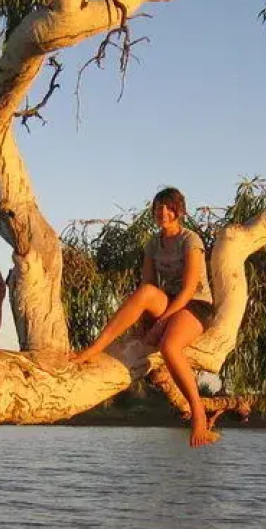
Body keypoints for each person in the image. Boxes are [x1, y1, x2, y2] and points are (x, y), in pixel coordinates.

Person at [74, 186, 219, 447]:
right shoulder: (153, 243)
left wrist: (160, 324)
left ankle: (198, 413)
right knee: (145, 291)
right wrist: (145, 322)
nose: (163, 212)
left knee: (169, 347)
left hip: (195, 304)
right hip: (168, 302)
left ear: (179, 211)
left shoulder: (191, 240)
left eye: (169, 208)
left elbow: (188, 290)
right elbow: (148, 285)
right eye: (158, 208)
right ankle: (96, 347)